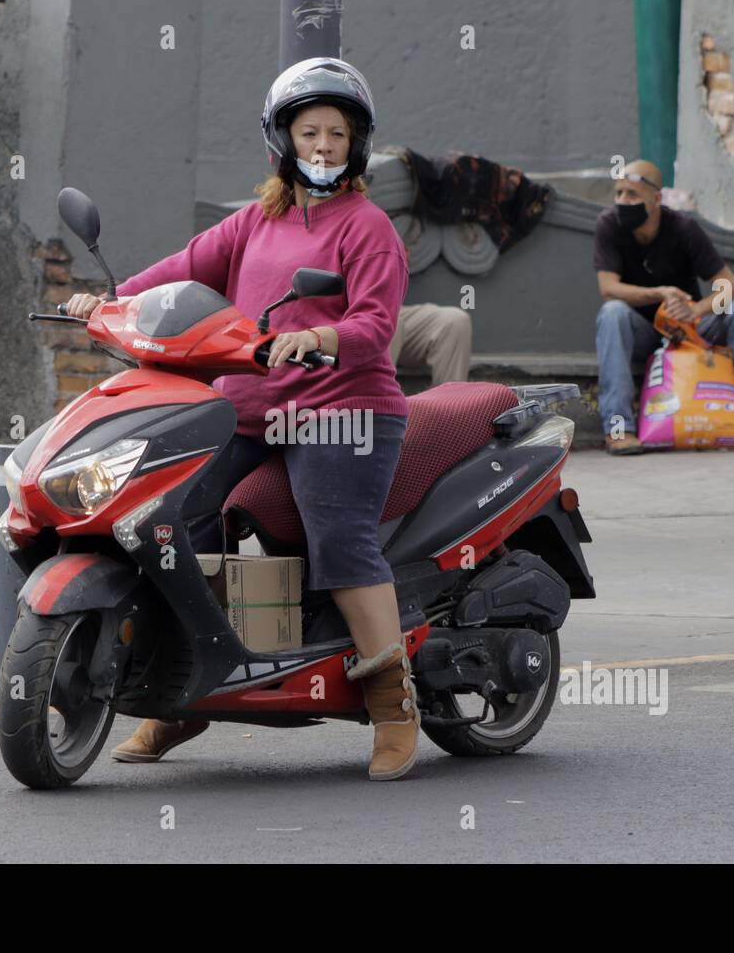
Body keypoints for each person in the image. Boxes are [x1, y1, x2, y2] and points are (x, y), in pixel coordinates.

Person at [65, 58, 421, 781]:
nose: (323, 146)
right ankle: (184, 695)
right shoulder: (258, 219)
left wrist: (320, 337)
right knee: (168, 526)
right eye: (310, 131)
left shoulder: (368, 226)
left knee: (340, 541)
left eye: (338, 134)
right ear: (283, 140)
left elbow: (375, 324)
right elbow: (186, 268)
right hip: (251, 411)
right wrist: (106, 302)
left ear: (357, 147)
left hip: (341, 412)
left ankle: (393, 704)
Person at [593, 159, 734, 455]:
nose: (623, 201)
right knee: (612, 313)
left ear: (656, 199)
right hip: (643, 334)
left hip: (690, 332)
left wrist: (696, 310)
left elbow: (729, 285)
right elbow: (608, 289)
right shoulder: (609, 224)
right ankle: (619, 429)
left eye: (632, 194)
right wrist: (658, 293)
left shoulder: (684, 228)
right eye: (618, 193)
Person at [390, 302, 471, 386]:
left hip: (396, 307)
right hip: (379, 311)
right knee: (387, 320)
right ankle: (379, 396)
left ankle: (450, 397)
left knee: (456, 320)